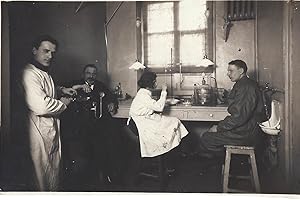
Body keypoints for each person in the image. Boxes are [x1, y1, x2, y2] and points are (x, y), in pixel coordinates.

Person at [21, 35, 77, 191]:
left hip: (49, 130)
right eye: (46, 51)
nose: (50, 56)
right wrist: (63, 104)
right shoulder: (29, 74)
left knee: (52, 172)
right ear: (34, 50)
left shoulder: (43, 71)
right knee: (41, 177)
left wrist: (61, 90)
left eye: (53, 52)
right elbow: (41, 106)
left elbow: (47, 89)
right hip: (38, 131)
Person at [60, 64, 121, 190]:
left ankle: (104, 175)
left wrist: (112, 103)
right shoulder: (75, 84)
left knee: (107, 143)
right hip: (79, 126)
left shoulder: (100, 86)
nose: (91, 76)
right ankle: (84, 180)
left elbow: (111, 96)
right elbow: (64, 91)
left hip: (97, 125)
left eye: (93, 73)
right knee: (82, 153)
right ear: (83, 74)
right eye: (88, 73)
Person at [198, 59, 266, 158]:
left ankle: (231, 162)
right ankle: (230, 162)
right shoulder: (243, 83)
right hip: (246, 128)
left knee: (206, 138)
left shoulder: (245, 86)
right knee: (210, 134)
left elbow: (239, 117)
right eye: (228, 71)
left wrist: (219, 127)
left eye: (231, 71)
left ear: (241, 71)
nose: (228, 74)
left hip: (246, 133)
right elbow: (240, 106)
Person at [129, 71, 189, 158]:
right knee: (175, 122)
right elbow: (159, 108)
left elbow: (152, 105)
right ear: (150, 83)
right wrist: (164, 91)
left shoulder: (143, 93)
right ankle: (174, 155)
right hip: (142, 125)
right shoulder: (143, 95)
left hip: (145, 121)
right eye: (155, 81)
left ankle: (176, 152)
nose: (156, 83)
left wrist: (163, 101)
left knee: (174, 122)